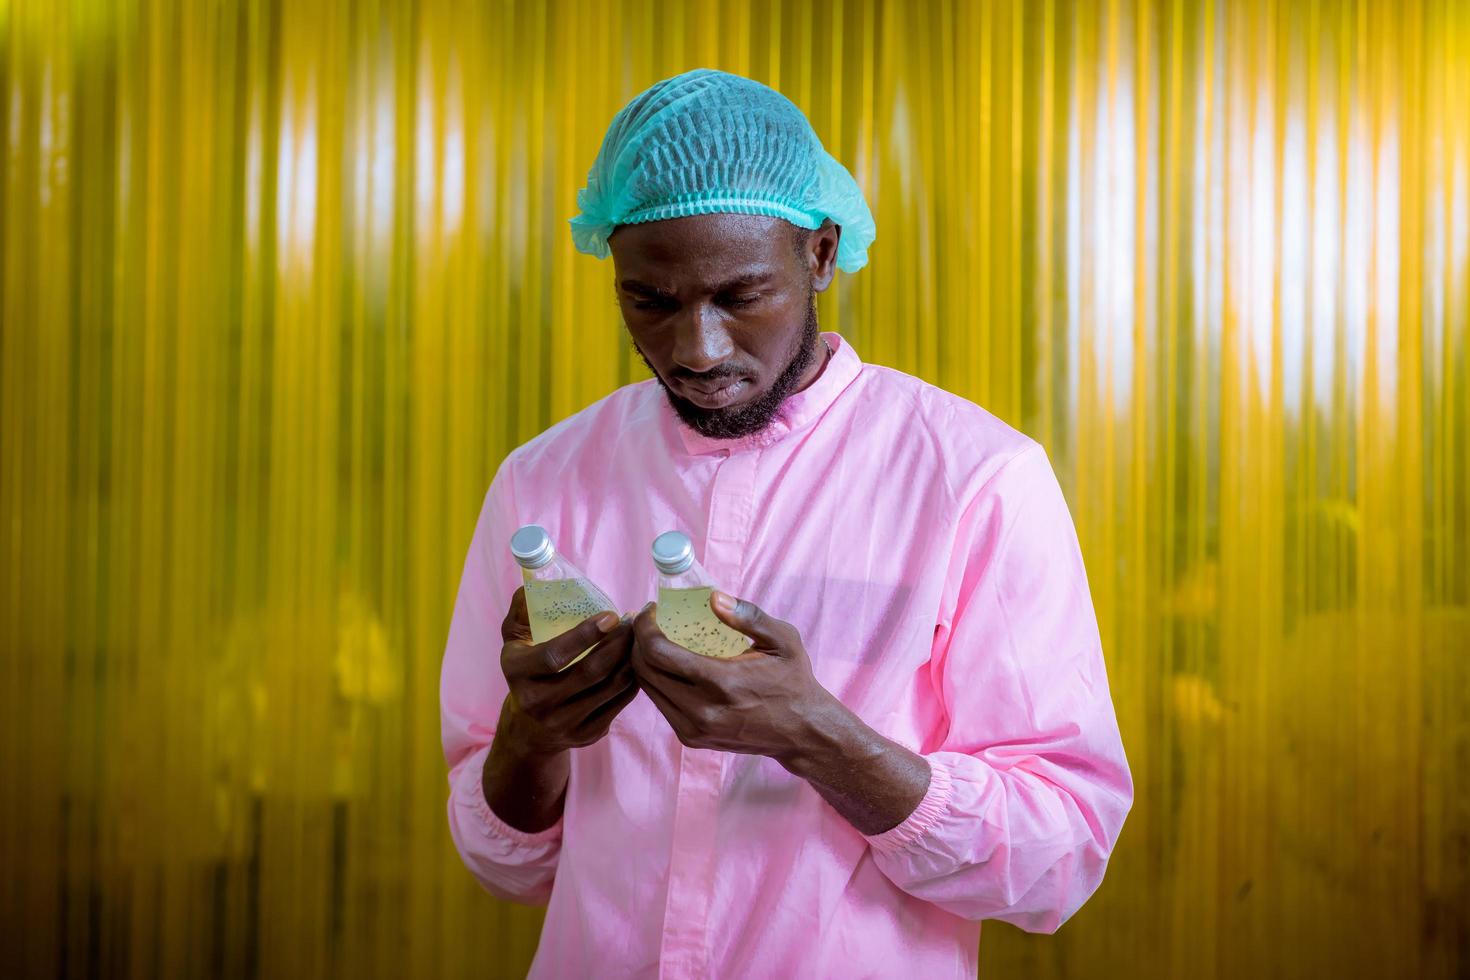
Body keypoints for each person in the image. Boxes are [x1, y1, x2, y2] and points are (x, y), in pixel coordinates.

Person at [440, 68, 1132, 979]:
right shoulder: (544, 483)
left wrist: (814, 732)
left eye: (738, 295)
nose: (697, 349)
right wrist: (537, 733)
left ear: (820, 256)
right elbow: (505, 861)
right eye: (649, 302)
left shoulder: (975, 479)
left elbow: (1059, 855)